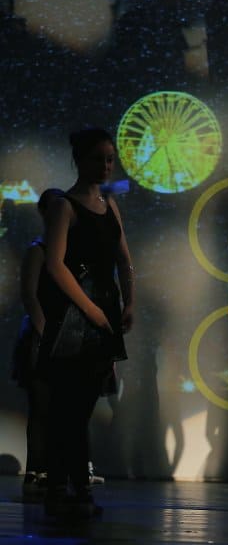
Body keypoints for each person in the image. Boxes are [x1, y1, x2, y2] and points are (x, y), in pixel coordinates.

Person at [37, 127, 134, 519]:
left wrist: (129, 302)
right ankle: (65, 486)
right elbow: (55, 264)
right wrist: (90, 310)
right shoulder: (64, 206)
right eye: (98, 158)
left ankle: (72, 486)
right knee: (68, 407)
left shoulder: (109, 204)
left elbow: (124, 259)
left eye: (110, 159)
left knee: (83, 406)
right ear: (79, 160)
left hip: (104, 310)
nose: (106, 166)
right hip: (74, 318)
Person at [12, 188, 64, 501]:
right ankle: (36, 469)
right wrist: (46, 334)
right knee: (42, 406)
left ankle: (55, 470)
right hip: (40, 336)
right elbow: (30, 297)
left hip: (64, 336)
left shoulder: (66, 251)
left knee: (60, 408)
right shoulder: (38, 250)